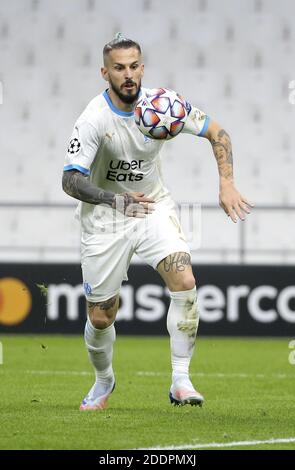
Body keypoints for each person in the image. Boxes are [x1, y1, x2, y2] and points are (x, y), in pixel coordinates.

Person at [62, 33, 253, 411]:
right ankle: (104, 382)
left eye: (134, 66)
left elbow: (218, 132)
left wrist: (227, 183)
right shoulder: (93, 120)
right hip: (105, 218)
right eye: (119, 68)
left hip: (152, 207)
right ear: (105, 72)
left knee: (184, 280)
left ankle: (181, 381)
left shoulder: (164, 106)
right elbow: (70, 180)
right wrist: (115, 199)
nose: (128, 74)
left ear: (142, 68)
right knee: (101, 317)